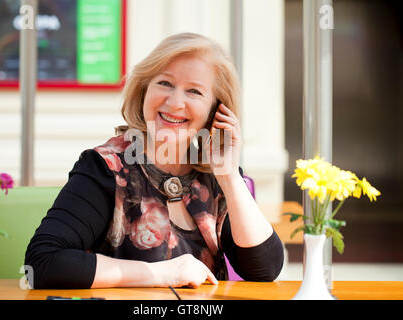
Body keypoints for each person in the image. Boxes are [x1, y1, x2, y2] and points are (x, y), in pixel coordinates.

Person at [24, 32, 284, 289]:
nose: (174, 102)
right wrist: (162, 274)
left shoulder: (215, 174)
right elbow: (42, 263)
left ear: (216, 112)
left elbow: (264, 270)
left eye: (194, 91)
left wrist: (228, 176)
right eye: (165, 83)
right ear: (144, 89)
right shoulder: (106, 167)